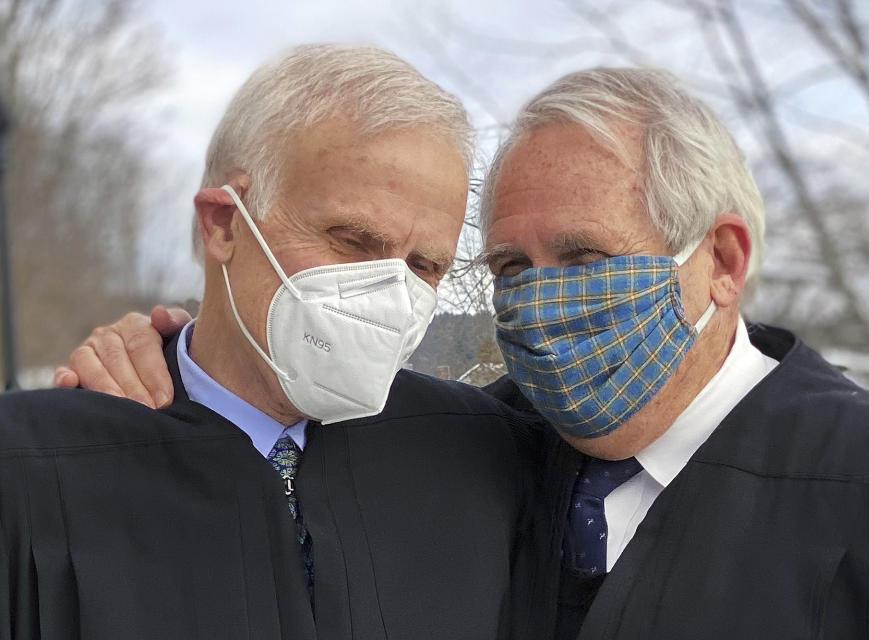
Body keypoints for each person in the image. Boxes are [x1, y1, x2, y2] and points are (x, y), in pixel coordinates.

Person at [60, 66, 869, 639]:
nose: (538, 301)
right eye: (508, 267)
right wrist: (161, 350)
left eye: (583, 258)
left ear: (721, 261)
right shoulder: (478, 450)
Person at [1, 44, 540, 639]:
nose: (391, 291)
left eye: (425, 265)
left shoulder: (486, 459)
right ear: (224, 225)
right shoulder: (33, 471)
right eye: (354, 242)